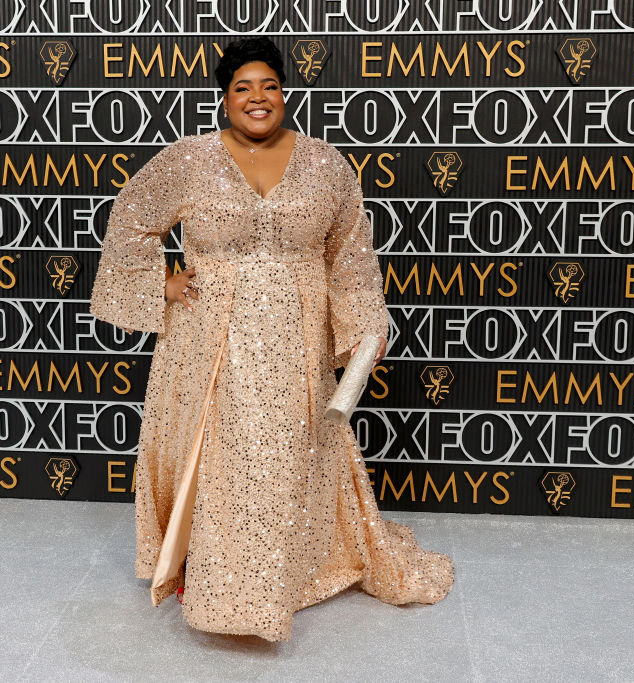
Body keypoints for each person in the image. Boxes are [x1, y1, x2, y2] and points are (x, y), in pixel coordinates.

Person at [89, 37, 453, 642]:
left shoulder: (325, 164)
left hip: (295, 336)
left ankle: (281, 571)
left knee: (283, 454)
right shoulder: (188, 160)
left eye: (269, 86)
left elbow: (350, 258)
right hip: (209, 335)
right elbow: (130, 222)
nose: (257, 98)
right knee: (221, 453)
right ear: (224, 99)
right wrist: (163, 282)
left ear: (284, 94)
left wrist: (365, 327)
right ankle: (213, 572)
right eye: (242, 88)